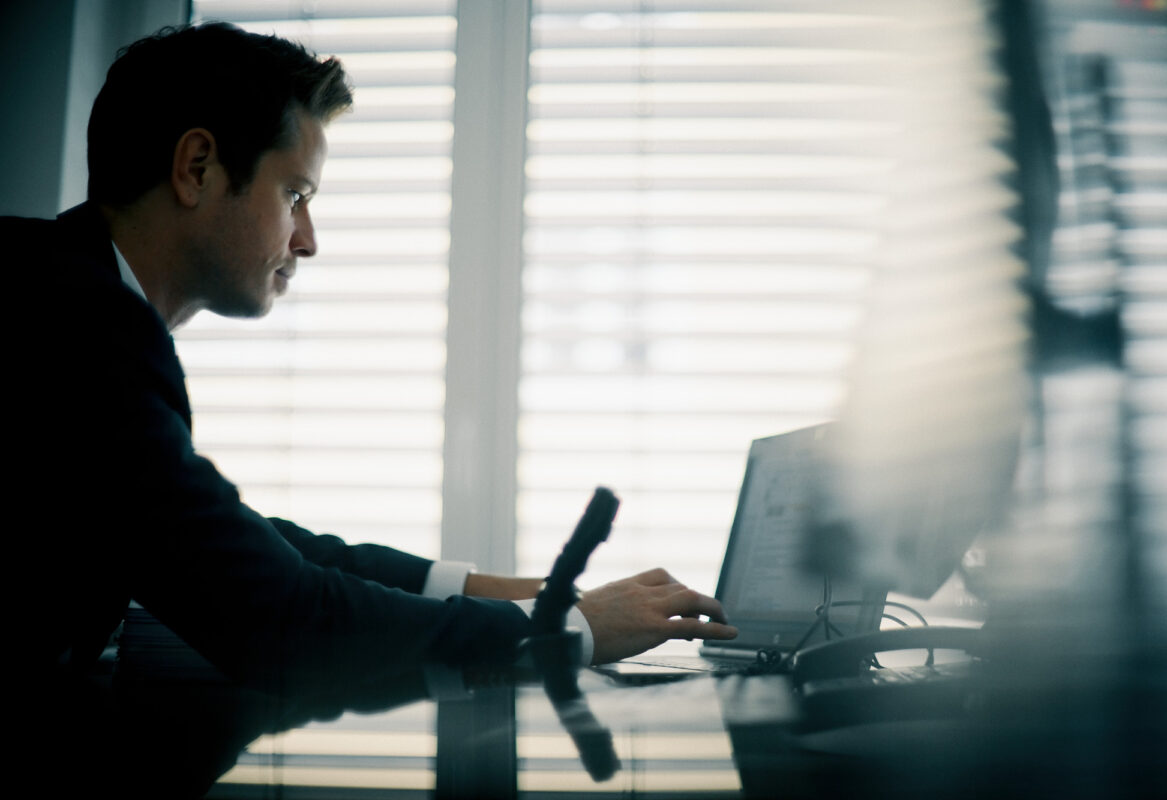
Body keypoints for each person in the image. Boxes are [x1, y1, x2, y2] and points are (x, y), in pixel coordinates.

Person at [5, 22, 735, 693]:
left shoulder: (67, 298)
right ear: (197, 168)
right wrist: (565, 628)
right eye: (295, 194)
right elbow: (282, 617)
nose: (308, 240)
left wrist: (495, 591)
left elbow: (236, 546)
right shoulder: (76, 324)